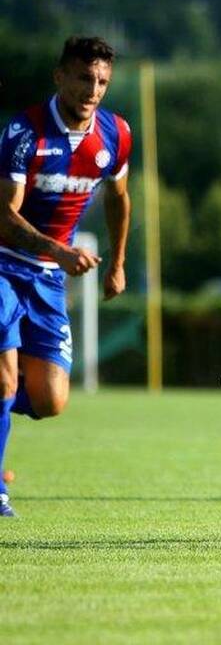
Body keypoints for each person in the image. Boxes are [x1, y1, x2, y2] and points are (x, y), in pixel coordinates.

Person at [0, 36, 132, 517]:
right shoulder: (24, 132)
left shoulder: (115, 134)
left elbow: (119, 199)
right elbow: (3, 216)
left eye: (101, 81)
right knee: (5, 378)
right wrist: (59, 249)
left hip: (49, 280)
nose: (92, 89)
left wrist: (116, 263)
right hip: (4, 265)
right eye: (82, 77)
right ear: (60, 77)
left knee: (50, 399)